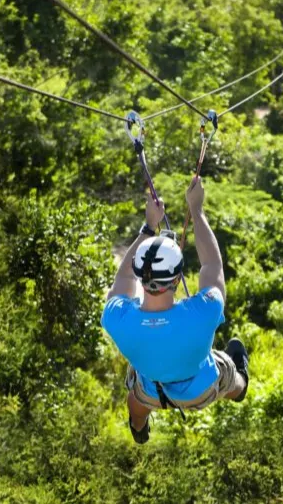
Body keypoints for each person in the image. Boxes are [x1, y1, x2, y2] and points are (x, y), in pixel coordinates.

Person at [101, 177, 249, 444]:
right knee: (227, 373)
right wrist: (196, 210)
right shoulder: (203, 313)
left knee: (136, 398)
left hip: (152, 389)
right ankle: (240, 388)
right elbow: (212, 267)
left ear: (139, 276)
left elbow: (122, 280)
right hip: (200, 390)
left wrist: (148, 227)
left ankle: (138, 426)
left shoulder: (116, 318)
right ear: (178, 278)